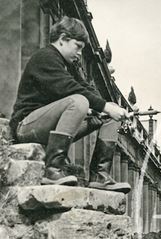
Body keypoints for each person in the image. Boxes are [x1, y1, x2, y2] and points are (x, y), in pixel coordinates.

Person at [9, 16, 131, 193]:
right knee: (80, 101)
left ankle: (100, 175)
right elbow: (70, 88)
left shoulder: (69, 65)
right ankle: (53, 169)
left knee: (108, 116)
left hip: (47, 127)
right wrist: (103, 107)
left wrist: (105, 109)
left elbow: (85, 87)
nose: (80, 53)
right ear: (63, 39)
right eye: (78, 46)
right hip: (26, 127)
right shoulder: (45, 57)